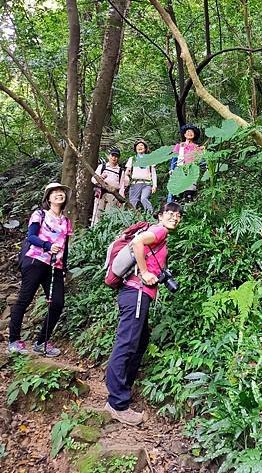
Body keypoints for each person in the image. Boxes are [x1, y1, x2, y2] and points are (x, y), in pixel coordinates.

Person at [105, 202, 183, 426]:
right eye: (170, 213)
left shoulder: (161, 234)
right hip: (136, 292)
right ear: (160, 215)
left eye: (178, 215)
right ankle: (117, 404)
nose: (174, 218)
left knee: (139, 342)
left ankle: (121, 389)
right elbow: (138, 242)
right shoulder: (159, 230)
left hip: (137, 294)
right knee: (127, 343)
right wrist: (146, 272)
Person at [8, 182, 73, 356]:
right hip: (35, 260)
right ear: (48, 197)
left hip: (55, 266)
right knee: (25, 299)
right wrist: (47, 245)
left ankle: (41, 342)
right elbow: (31, 236)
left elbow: (64, 246)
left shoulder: (66, 221)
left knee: (57, 304)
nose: (59, 194)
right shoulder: (40, 214)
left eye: (61, 192)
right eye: (55, 192)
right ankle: (13, 340)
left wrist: (64, 268)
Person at [91, 147, 128, 226]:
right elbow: (93, 179)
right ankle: (94, 231)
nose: (114, 158)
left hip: (113, 195)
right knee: (97, 214)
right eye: (112, 155)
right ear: (109, 156)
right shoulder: (102, 167)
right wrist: (101, 177)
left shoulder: (120, 171)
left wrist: (120, 199)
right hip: (101, 193)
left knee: (109, 215)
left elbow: (121, 186)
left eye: (116, 156)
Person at [168, 124, 203, 202]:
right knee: (178, 191)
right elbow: (174, 158)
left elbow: (200, 160)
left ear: (194, 135)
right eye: (187, 132)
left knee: (189, 191)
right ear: (184, 134)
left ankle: (187, 208)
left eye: (191, 132)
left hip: (191, 170)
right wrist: (171, 169)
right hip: (180, 169)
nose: (189, 133)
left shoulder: (197, 147)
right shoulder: (179, 146)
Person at [125, 140, 157, 213]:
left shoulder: (150, 159)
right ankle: (133, 218)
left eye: (142, 145)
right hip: (135, 183)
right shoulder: (132, 159)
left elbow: (153, 172)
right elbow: (127, 172)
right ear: (135, 149)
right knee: (133, 201)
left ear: (145, 148)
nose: (140, 147)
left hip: (147, 183)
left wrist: (154, 185)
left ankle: (150, 215)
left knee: (144, 198)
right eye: (138, 145)